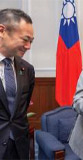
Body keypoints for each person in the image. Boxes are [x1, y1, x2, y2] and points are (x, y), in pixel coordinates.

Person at [0, 8, 35, 159]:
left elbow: (21, 109)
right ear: (2, 31)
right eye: (25, 39)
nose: (28, 46)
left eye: (31, 41)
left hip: (18, 147)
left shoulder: (27, 69)